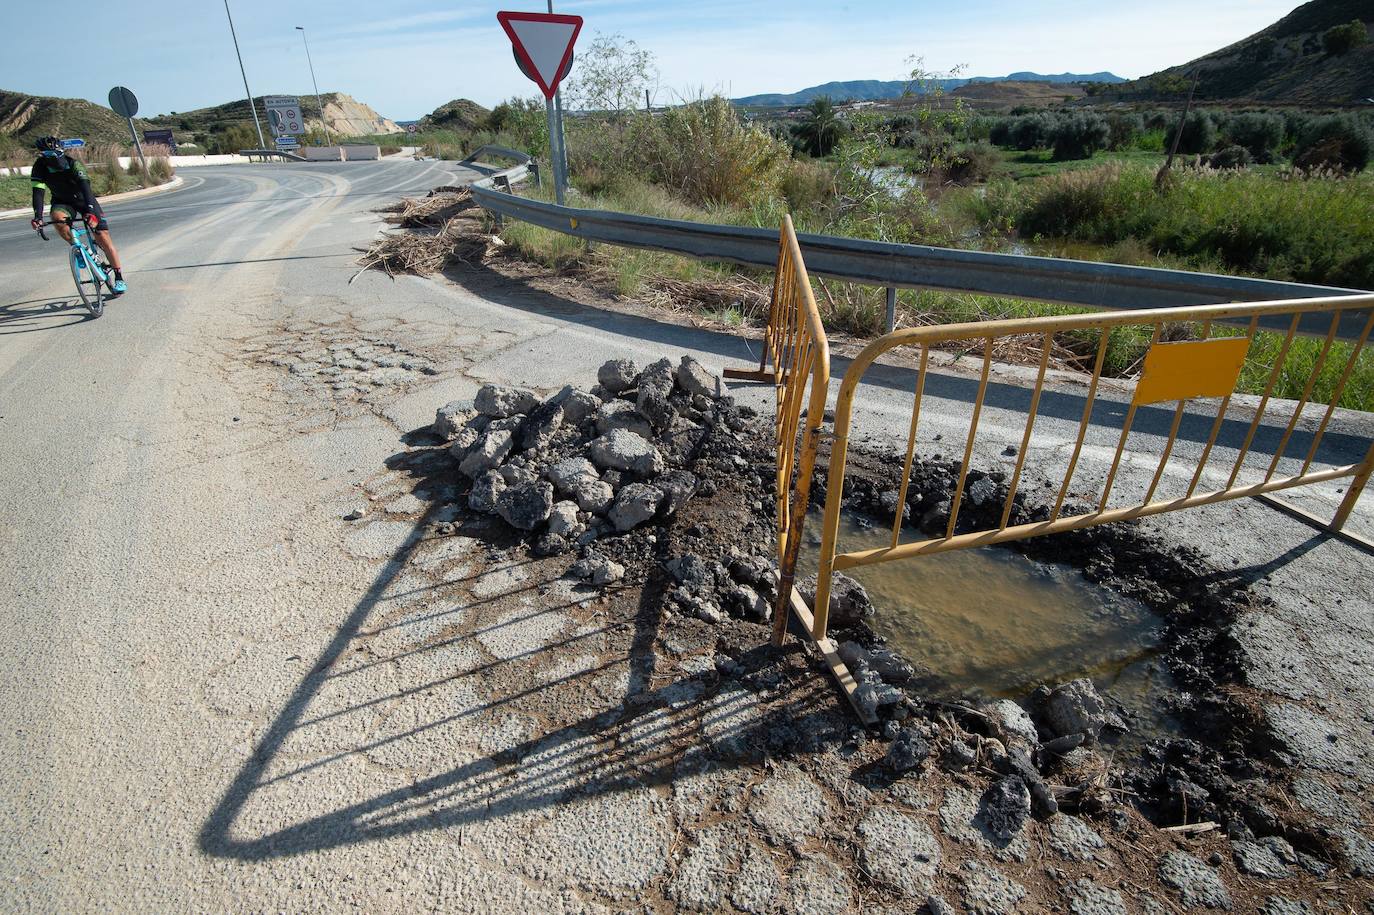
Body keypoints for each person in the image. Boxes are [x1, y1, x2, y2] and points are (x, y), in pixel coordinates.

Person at [28, 136, 127, 295]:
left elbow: (86, 189)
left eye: (53, 154)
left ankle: (119, 276)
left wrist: (90, 213)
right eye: (45, 154)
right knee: (57, 219)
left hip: (84, 200)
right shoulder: (39, 167)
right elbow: (38, 193)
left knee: (102, 235)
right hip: (62, 201)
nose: (50, 158)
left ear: (60, 152)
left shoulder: (73, 164)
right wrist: (37, 217)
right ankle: (79, 250)